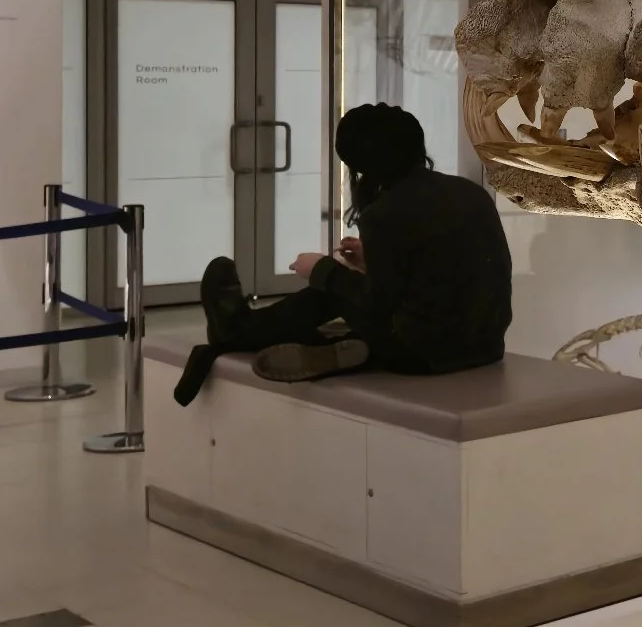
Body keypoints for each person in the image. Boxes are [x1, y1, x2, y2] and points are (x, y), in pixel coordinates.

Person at [174, 103, 514, 406]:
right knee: (346, 287)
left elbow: (376, 303)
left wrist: (320, 269)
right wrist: (372, 260)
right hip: (484, 347)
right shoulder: (470, 193)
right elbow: (443, 272)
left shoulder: (384, 214)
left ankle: (238, 328)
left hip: (421, 354)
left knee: (329, 292)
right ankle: (352, 346)